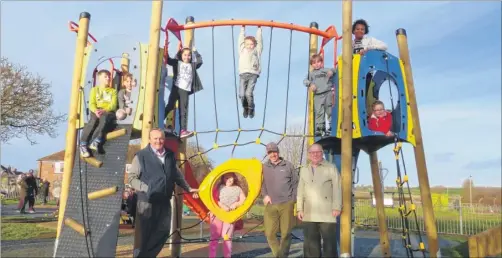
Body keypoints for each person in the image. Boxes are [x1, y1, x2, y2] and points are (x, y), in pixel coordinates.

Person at [128, 128, 199, 258]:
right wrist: (147, 188)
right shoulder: (141, 156)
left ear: (164, 139)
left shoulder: (170, 155)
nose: (158, 141)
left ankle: (145, 256)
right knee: (146, 234)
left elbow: (177, 175)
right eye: (155, 138)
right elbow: (132, 178)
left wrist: (188, 188)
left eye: (161, 138)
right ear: (150, 139)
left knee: (163, 231)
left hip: (164, 200)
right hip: (147, 201)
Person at [297, 143, 342, 257]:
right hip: (309, 212)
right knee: (310, 245)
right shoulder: (304, 169)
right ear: (308, 155)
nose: (315, 154)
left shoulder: (331, 167)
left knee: (329, 245)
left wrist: (337, 207)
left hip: (327, 212)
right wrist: (299, 209)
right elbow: (300, 191)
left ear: (322, 153)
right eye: (312, 152)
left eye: (318, 152)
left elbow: (337, 188)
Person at [261, 142, 299, 258]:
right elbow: (261, 184)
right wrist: (265, 195)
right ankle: (279, 255)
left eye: (274, 152)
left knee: (286, 233)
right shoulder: (263, 167)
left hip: (287, 203)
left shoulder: (288, 165)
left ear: (278, 152)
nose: (273, 154)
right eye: (270, 152)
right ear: (267, 154)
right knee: (269, 233)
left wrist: (293, 199)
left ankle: (283, 256)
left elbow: (296, 183)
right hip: (271, 204)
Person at [164, 46, 203, 139]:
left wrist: (195, 51)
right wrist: (166, 49)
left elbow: (200, 61)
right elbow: (168, 60)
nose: (187, 57)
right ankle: (160, 121)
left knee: (183, 110)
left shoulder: (192, 65)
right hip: (176, 88)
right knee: (170, 105)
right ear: (181, 55)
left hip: (185, 90)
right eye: (185, 55)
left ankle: (183, 130)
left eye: (189, 55)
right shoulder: (177, 62)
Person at [80, 69, 118, 157]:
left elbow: (113, 105)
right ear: (99, 78)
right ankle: (83, 144)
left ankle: (95, 141)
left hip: (107, 111)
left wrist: (104, 110)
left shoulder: (113, 91)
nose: (108, 78)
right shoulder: (94, 90)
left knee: (104, 119)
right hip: (96, 110)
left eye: (109, 76)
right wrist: (95, 110)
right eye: (105, 76)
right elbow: (92, 103)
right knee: (93, 120)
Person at [209, 172, 246, 258]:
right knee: (214, 237)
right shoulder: (219, 187)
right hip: (217, 213)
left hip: (230, 215)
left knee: (227, 237)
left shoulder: (238, 188)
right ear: (223, 179)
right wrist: (222, 205)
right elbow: (213, 199)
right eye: (226, 178)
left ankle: (227, 256)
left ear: (234, 178)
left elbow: (243, 200)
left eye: (231, 178)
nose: (229, 180)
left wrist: (236, 204)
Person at [303, 54, 336, 136]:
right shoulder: (311, 74)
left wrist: (331, 71)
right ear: (311, 65)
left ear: (321, 63)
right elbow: (305, 81)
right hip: (317, 95)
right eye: (314, 63)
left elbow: (334, 70)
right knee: (319, 111)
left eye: (318, 62)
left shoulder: (325, 70)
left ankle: (332, 126)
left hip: (327, 92)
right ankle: (320, 128)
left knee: (329, 110)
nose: (316, 64)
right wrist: (310, 84)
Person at [238, 26, 263, 119]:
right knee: (241, 94)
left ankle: (251, 108)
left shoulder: (257, 51)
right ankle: (245, 107)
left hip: (253, 74)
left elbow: (259, 42)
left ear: (254, 45)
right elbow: (240, 40)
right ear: (244, 44)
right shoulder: (241, 50)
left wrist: (259, 30)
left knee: (248, 93)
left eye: (251, 44)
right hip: (243, 74)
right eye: (247, 44)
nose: (249, 46)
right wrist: (242, 29)